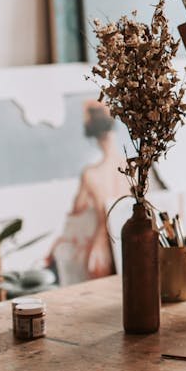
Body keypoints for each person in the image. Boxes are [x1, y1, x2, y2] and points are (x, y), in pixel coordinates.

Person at [48, 101, 131, 284]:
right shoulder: (134, 166)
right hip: (129, 240)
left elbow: (77, 209)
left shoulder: (91, 173)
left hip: (104, 242)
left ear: (94, 136)